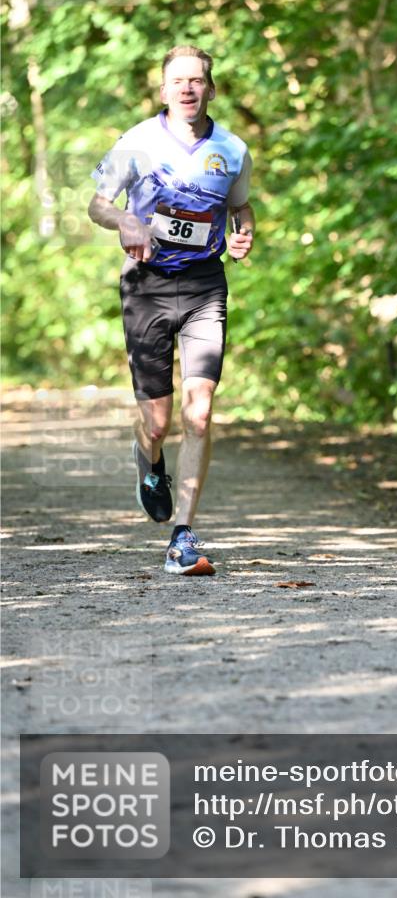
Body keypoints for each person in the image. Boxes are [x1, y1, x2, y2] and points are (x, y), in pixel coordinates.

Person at [88, 45, 254, 576]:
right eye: (177, 81)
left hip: (205, 284)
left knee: (199, 411)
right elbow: (98, 203)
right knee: (157, 423)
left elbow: (239, 205)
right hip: (146, 286)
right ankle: (150, 462)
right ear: (163, 91)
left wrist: (244, 231)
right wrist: (125, 223)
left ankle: (183, 534)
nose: (187, 89)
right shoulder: (136, 143)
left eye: (197, 80)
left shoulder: (232, 149)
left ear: (211, 89)